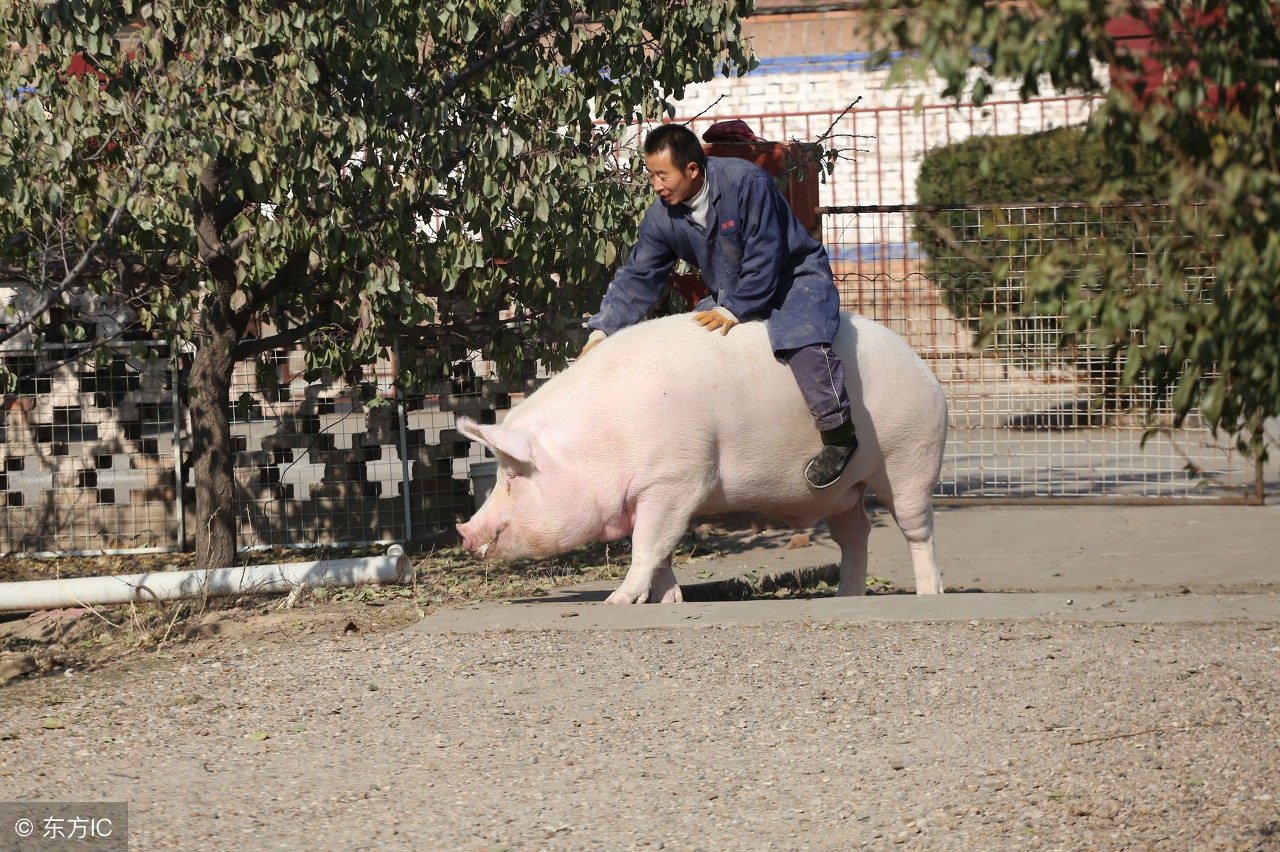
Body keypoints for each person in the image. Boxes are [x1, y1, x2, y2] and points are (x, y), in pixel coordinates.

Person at [581, 123, 857, 488]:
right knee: (686, 345)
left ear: (692, 170)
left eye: (662, 175)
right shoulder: (662, 216)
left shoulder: (746, 183)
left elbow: (766, 253)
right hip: (733, 292)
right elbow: (639, 276)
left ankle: (839, 436)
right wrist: (603, 329)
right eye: (651, 175)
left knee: (802, 341)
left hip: (794, 279)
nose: (656, 185)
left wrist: (736, 308)